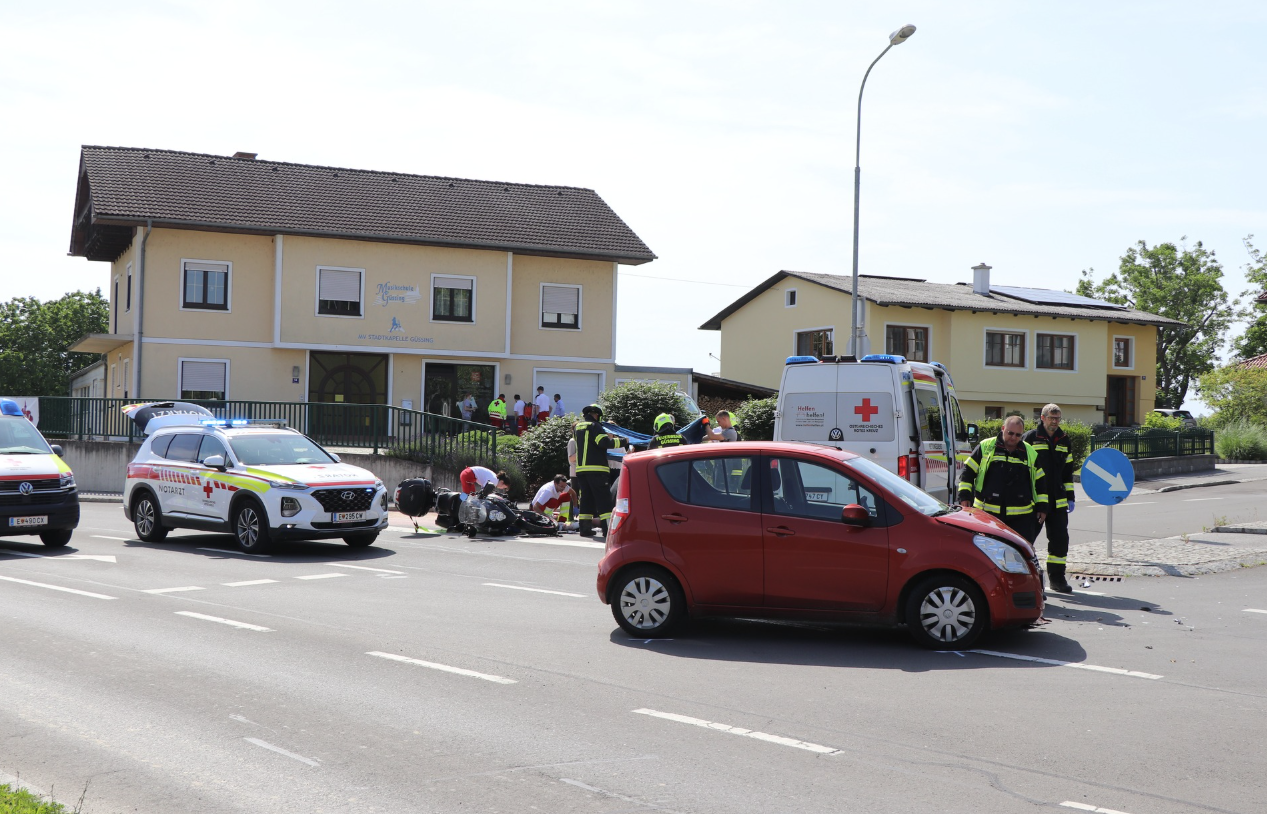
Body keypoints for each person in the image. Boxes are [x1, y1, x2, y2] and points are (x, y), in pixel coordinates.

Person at [958, 415, 1047, 543]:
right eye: (1010, 433)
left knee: (1020, 555)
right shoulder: (986, 446)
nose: (1013, 437)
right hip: (987, 515)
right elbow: (967, 472)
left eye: (1018, 435)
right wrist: (964, 496)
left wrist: (1042, 507)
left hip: (1021, 519)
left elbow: (1040, 481)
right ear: (1003, 428)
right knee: (987, 554)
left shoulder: (1030, 452)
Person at [1023, 404, 1076, 593]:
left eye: (1058, 418)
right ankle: (1025, 580)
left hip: (1058, 501)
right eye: (1052, 418)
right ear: (1042, 418)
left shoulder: (1064, 439)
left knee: (1060, 540)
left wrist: (1070, 496)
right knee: (1026, 540)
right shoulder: (1030, 438)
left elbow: (1067, 472)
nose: (1055, 422)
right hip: (1035, 501)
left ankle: (1057, 579)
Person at [574, 404, 618, 537]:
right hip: (597, 469)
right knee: (604, 500)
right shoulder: (596, 426)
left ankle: (585, 529)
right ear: (597, 415)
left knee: (586, 499)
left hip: (581, 470)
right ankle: (607, 530)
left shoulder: (578, 427)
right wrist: (623, 441)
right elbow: (604, 443)